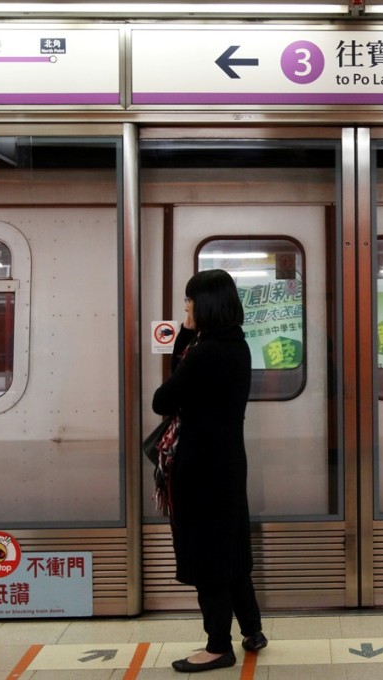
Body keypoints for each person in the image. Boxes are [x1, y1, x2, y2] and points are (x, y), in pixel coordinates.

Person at [152, 269, 268, 673]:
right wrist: (188, 338)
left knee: (208, 558)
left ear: (205, 304)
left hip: (201, 467)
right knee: (231, 548)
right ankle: (252, 630)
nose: (185, 308)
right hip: (228, 464)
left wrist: (183, 339)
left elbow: (163, 400)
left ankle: (218, 645)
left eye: (189, 301)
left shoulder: (205, 352)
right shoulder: (236, 345)